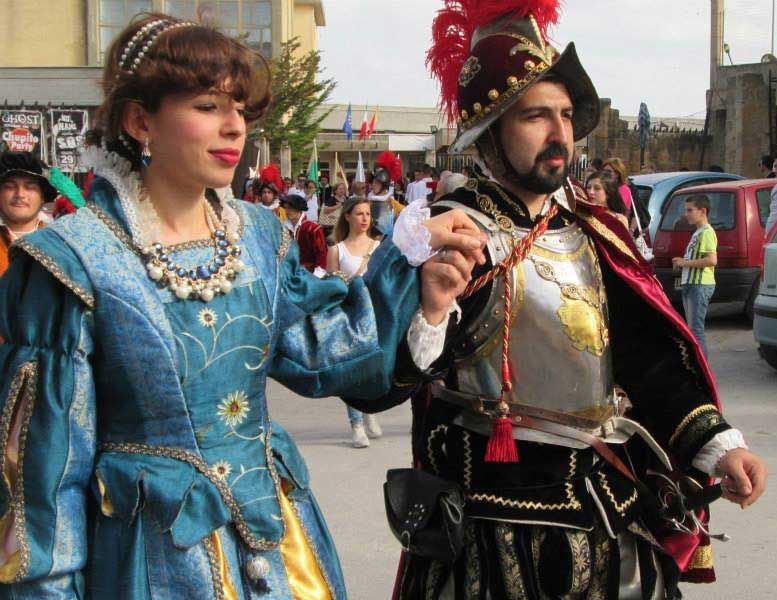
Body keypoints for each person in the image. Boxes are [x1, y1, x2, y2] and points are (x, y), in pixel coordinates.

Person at [0, 13, 486, 598]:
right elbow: (45, 478)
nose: (234, 126)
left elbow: (323, 353)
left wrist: (416, 278)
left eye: (239, 108)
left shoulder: (257, 236)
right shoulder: (74, 260)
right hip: (150, 564)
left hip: (276, 544)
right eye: (207, 106)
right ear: (139, 120)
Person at [358, 3, 767, 598]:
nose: (560, 135)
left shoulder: (595, 231)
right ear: (490, 132)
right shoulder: (447, 232)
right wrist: (430, 310)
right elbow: (379, 381)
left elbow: (649, 362)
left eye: (567, 115)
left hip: (607, 514)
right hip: (494, 534)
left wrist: (717, 446)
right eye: (535, 116)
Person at [327, 197, 383, 447]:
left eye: (368, 214)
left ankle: (370, 410)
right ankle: (356, 424)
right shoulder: (336, 250)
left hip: (376, 314)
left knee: (374, 369)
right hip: (350, 316)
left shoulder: (379, 247)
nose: (364, 218)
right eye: (359, 213)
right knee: (352, 372)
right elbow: (332, 288)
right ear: (347, 216)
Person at [672, 195, 718, 358]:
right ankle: (698, 365)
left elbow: (712, 260)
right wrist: (681, 262)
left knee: (696, 331)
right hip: (691, 284)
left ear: (703, 211)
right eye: (686, 210)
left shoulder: (706, 232)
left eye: (690, 210)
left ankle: (702, 368)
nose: (686, 214)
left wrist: (685, 263)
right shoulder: (698, 232)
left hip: (699, 285)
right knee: (692, 330)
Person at [0, 152, 56, 276]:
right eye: (10, 187)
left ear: (42, 197)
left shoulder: (59, 243)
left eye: (30, 187)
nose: (20, 194)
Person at [281, 193, 327, 273]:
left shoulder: (313, 229)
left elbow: (322, 254)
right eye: (286, 208)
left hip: (309, 273)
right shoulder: (283, 228)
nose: (287, 211)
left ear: (299, 209)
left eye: (290, 208)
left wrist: (317, 275)